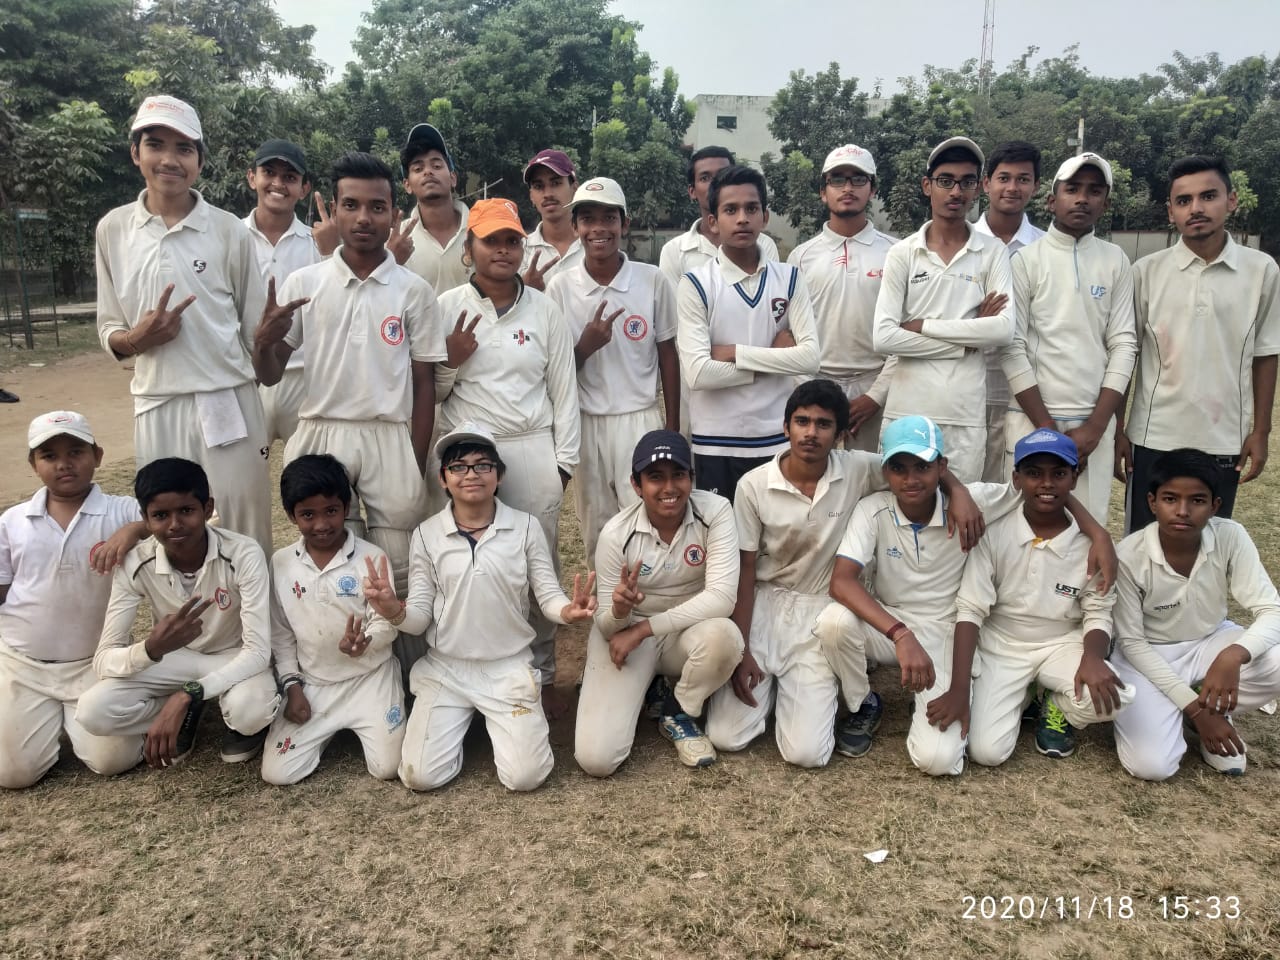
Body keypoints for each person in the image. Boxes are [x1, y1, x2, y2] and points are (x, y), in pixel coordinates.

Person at [707, 384, 983, 768]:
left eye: (823, 424)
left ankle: (838, 699)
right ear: (785, 427)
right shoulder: (753, 485)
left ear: (839, 435)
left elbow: (914, 465)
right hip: (765, 605)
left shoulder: (856, 469)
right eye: (802, 421)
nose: (810, 433)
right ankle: (769, 691)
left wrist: (958, 492)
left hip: (820, 607)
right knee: (726, 736)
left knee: (807, 754)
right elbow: (747, 569)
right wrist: (743, 650)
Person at [251, 151, 445, 606]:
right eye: (351, 205)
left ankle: (403, 652)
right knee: (334, 558)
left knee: (399, 564)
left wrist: (414, 458)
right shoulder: (304, 283)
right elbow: (269, 374)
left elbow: (424, 385)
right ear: (333, 210)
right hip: (322, 431)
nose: (363, 218)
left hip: (388, 434)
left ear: (394, 215)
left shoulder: (413, 291)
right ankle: (339, 649)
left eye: (377, 207)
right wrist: (263, 343)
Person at [362, 423, 596, 792]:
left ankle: (503, 724)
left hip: (507, 666)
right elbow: (419, 617)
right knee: (420, 777)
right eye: (458, 467)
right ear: (443, 479)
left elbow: (548, 595)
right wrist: (393, 609)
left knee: (525, 778)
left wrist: (568, 611)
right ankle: (462, 723)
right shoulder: (427, 534)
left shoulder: (525, 527)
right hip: (447, 668)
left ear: (499, 475)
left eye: (482, 465)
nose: (471, 474)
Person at [94, 95, 272, 555]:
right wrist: (137, 339)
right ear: (135, 153)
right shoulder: (113, 229)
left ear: (200, 161)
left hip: (225, 396)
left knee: (243, 524)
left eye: (184, 149)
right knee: (169, 530)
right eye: (156, 145)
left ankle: (254, 605)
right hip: (157, 401)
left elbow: (255, 330)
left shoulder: (229, 230)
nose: (170, 160)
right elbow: (109, 328)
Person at [434, 198, 580, 713]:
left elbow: (564, 390)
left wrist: (562, 465)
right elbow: (432, 393)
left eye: (511, 240)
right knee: (476, 563)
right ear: (469, 248)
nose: (502, 250)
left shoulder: (543, 308)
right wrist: (451, 361)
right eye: (490, 240)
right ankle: (477, 671)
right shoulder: (446, 306)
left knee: (537, 564)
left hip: (532, 445)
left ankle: (541, 673)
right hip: (471, 455)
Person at [76, 458, 279, 768]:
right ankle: (185, 712)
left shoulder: (243, 553)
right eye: (160, 515)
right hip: (174, 660)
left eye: (186, 510)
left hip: (233, 655)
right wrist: (151, 649)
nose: (174, 525)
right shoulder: (135, 563)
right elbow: (103, 660)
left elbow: (258, 652)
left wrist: (188, 693)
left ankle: (211, 712)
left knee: (250, 712)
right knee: (93, 711)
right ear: (145, 519)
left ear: (208, 508)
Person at [945, 429, 1131, 766]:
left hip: (1061, 643)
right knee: (987, 753)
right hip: (1002, 645)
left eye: (1058, 474)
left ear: (1074, 478)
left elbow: (1099, 611)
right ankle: (1025, 692)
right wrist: (959, 687)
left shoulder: (1091, 546)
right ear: (1016, 478)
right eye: (1034, 473)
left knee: (1113, 697)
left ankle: (1056, 704)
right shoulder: (995, 531)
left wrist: (1092, 658)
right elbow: (971, 608)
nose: (1046, 483)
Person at [1120, 155, 1280, 532]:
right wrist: (1117, 431)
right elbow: (1126, 354)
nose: (1196, 208)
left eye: (1208, 196)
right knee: (1143, 544)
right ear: (1170, 211)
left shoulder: (1261, 271)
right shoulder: (1146, 272)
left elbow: (1265, 354)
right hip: (1153, 435)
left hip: (1223, 438)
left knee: (1208, 547)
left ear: (1231, 200)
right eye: (1184, 200)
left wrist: (1260, 432)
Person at [575, 430, 744, 773]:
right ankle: (647, 685)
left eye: (678, 475)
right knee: (597, 760)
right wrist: (620, 612)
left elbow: (722, 599)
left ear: (691, 477)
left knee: (726, 637)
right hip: (629, 638)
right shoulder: (615, 535)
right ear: (636, 485)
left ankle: (677, 709)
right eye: (655, 477)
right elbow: (607, 626)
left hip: (686, 631)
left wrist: (643, 629)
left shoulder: (716, 511)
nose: (669, 488)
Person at [1112, 449, 1280, 779]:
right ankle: (1199, 710)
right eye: (1170, 499)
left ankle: (1214, 705)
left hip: (1210, 642)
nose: (1183, 511)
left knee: (1275, 660)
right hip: (1147, 657)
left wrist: (1232, 655)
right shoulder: (1128, 555)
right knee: (1152, 766)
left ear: (1215, 505)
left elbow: (1272, 609)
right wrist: (1197, 712)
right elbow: (1132, 643)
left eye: (1197, 501)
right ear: (1152, 502)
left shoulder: (1230, 535)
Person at [0, 412, 145, 787]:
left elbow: (169, 521)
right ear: (33, 464)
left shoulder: (121, 510)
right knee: (14, 775)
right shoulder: (13, 521)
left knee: (114, 760)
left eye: (75, 452)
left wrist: (133, 530)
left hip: (95, 663)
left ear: (97, 455)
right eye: (49, 456)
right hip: (23, 664)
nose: (64, 463)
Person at [546, 176, 680, 566]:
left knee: (645, 518)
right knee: (597, 526)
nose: (598, 228)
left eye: (609, 218)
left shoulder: (652, 280)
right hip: (586, 422)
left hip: (639, 418)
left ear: (624, 223)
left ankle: (647, 596)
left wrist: (671, 426)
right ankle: (605, 598)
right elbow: (555, 371)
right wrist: (585, 347)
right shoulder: (560, 287)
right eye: (588, 219)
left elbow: (668, 354)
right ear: (575, 227)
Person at [1001, 152, 1136, 524]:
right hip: (1031, 420)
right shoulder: (1025, 260)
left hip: (1092, 427)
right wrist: (1046, 428)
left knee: (1085, 529)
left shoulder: (1115, 260)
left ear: (1105, 203)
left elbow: (1124, 344)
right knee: (1021, 529)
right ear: (1051, 200)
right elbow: (1011, 346)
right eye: (1072, 189)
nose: (1082, 199)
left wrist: (1096, 427)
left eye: (1094, 191)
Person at [873, 136, 1014, 484]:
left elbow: (1002, 331)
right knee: (902, 508)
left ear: (978, 187)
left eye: (966, 182)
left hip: (964, 413)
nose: (956, 192)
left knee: (960, 509)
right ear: (927, 186)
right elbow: (884, 337)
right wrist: (967, 342)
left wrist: (923, 325)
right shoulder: (903, 253)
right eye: (945, 181)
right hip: (907, 410)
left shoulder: (992, 251)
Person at [677, 165, 820, 503]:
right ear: (713, 221)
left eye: (751, 208)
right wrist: (776, 359)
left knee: (776, 532)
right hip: (715, 440)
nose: (742, 218)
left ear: (765, 217)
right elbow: (698, 373)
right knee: (722, 532)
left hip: (775, 436)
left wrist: (735, 353)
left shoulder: (790, 278)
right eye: (731, 210)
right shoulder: (695, 284)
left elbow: (810, 359)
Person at [260, 454, 405, 786]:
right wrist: (293, 688)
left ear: (346, 507)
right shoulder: (281, 563)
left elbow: (385, 623)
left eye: (331, 511)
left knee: (389, 767)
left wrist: (366, 641)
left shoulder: (371, 557)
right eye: (308, 515)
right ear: (291, 515)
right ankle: (323, 727)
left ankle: (371, 718)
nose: (321, 524)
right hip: (315, 684)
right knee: (277, 773)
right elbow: (281, 635)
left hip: (370, 677)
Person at [659, 146, 780, 437]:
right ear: (692, 190)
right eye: (705, 177)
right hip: (701, 387)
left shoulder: (765, 246)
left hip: (760, 389)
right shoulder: (675, 252)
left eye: (722, 174)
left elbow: (773, 322)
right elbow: (680, 328)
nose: (715, 182)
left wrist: (736, 355)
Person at [787, 145, 896, 453]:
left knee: (874, 475)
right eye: (837, 179)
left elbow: (904, 334)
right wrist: (810, 391)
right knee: (819, 476)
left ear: (872, 189)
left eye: (858, 179)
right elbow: (788, 335)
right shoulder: (801, 257)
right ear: (823, 192)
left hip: (876, 386)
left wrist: (876, 396)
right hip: (817, 385)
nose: (848, 188)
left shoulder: (897, 253)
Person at [243, 139, 325, 448]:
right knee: (246, 471)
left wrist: (331, 252)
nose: (278, 183)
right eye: (269, 173)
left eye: (289, 177)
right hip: (246, 377)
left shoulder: (317, 244)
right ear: (252, 177)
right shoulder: (231, 238)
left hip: (304, 379)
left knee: (306, 471)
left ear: (304, 188)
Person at [975, 140, 1046, 481]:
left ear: (1036, 186)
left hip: (1031, 391)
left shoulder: (1045, 248)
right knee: (973, 487)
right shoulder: (964, 243)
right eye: (1004, 178)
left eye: (1023, 179)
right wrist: (977, 323)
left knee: (1019, 488)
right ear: (986, 183)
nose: (1012, 187)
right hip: (972, 384)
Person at [401, 123, 471, 294]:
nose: (428, 172)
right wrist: (391, 262)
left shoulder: (481, 230)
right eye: (418, 168)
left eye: (437, 166)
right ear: (407, 185)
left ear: (453, 178)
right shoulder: (398, 240)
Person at [520, 149, 583, 290]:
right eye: (538, 186)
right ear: (531, 196)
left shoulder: (593, 245)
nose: (547, 194)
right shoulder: (520, 251)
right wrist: (523, 290)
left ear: (575, 188)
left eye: (556, 183)